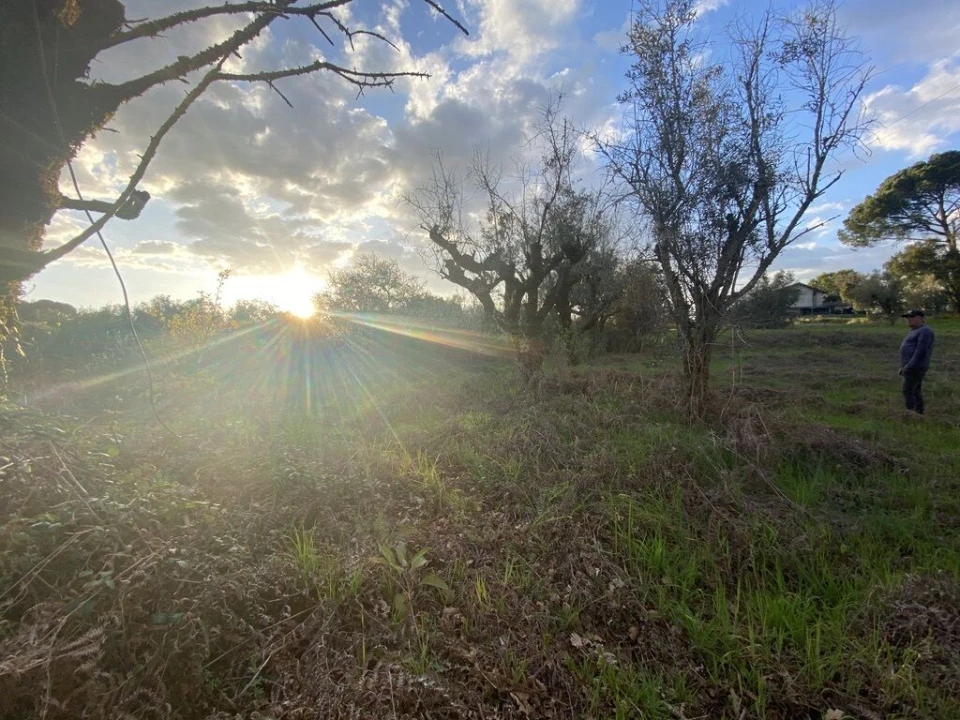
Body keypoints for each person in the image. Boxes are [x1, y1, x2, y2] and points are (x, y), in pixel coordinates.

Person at [898, 309, 935, 414]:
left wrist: (909, 366)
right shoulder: (914, 331)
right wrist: (904, 366)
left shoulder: (925, 331)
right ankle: (918, 413)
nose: (909, 320)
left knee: (908, 391)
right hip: (910, 366)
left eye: (912, 317)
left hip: (916, 367)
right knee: (915, 390)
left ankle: (911, 414)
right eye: (907, 318)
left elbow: (921, 351)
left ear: (920, 318)